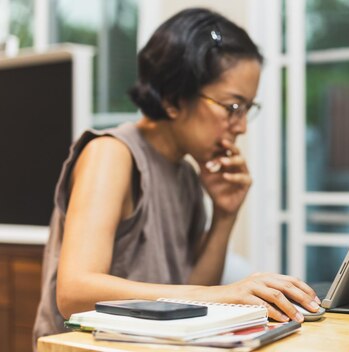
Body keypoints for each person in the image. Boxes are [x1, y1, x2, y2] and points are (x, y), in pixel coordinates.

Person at [33, 7, 320, 345]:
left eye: (247, 109)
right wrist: (227, 294)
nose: (241, 126)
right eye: (232, 107)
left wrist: (225, 215)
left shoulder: (185, 175)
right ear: (172, 98)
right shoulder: (111, 153)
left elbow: (189, 297)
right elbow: (75, 292)